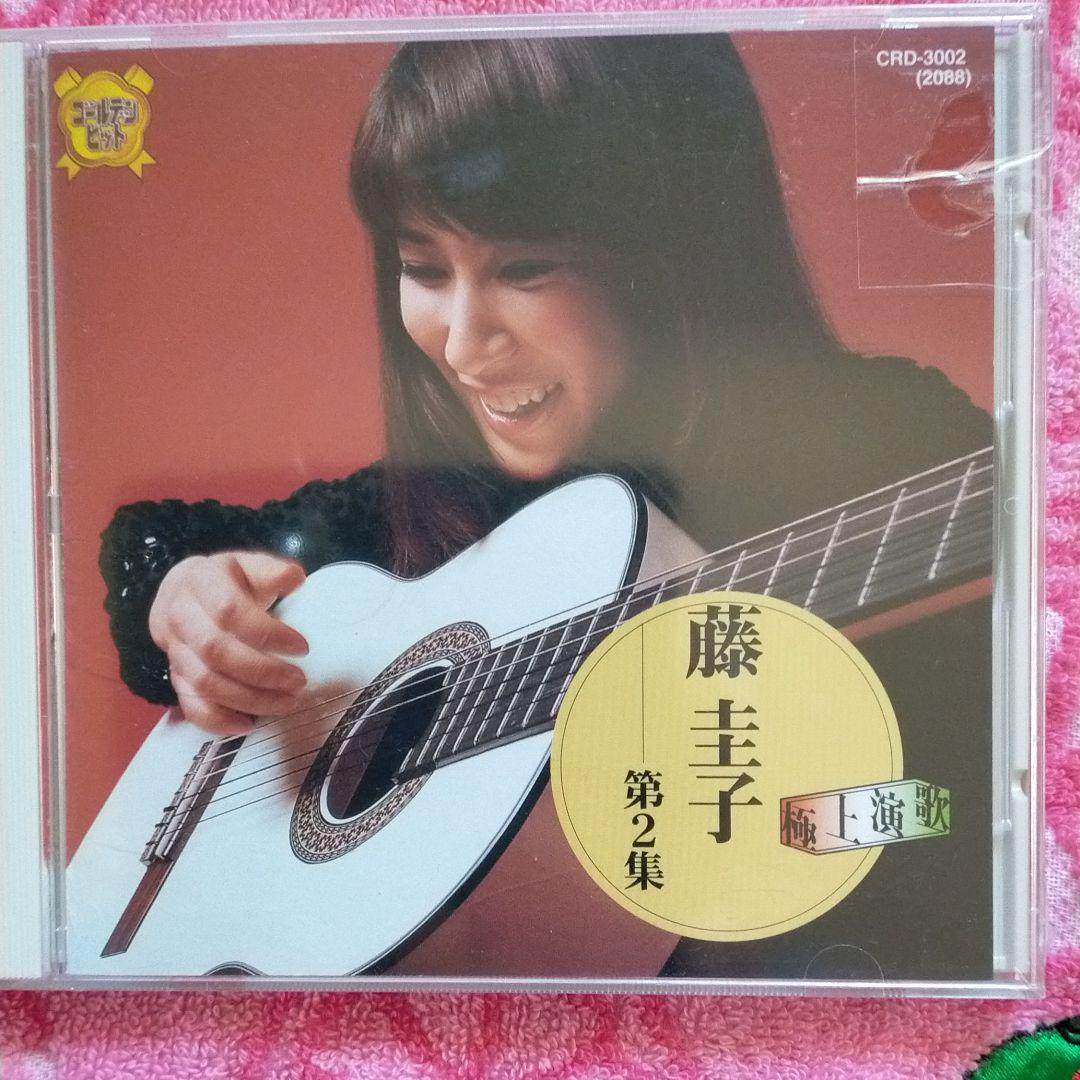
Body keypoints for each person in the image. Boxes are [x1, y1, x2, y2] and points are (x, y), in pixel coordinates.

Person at [99, 34, 993, 980]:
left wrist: (789, 829)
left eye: (525, 269)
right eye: (424, 268)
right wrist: (185, 602)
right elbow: (157, 539)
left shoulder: (892, 440)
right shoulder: (445, 497)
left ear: (678, 253)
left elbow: (941, 811)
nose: (462, 344)